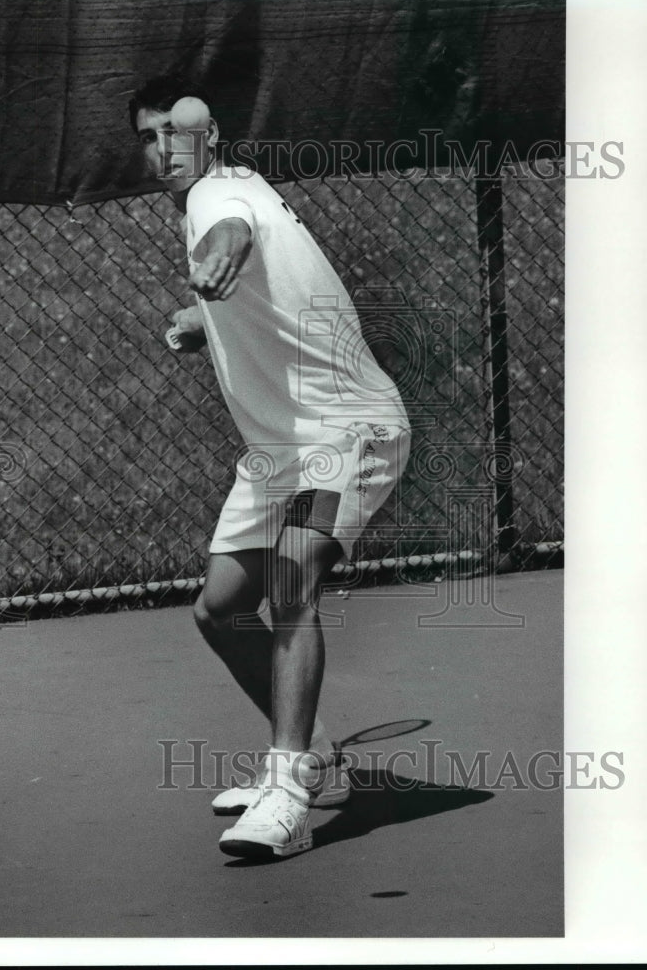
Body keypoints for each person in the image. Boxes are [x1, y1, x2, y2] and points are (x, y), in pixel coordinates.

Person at [129, 76, 411, 860]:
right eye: (149, 138)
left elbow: (232, 237)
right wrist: (201, 318)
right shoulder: (237, 188)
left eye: (177, 133)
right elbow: (251, 277)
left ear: (209, 136)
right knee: (219, 609)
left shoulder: (220, 199)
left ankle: (286, 793)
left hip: (345, 430)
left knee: (290, 582)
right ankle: (314, 754)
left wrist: (217, 257)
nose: (164, 152)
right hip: (278, 453)